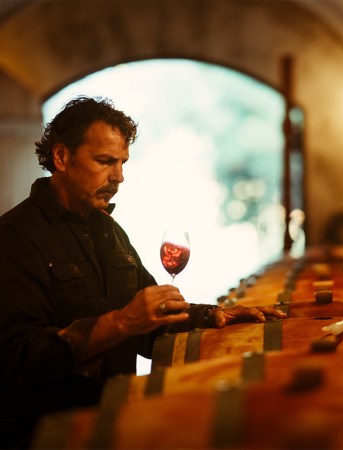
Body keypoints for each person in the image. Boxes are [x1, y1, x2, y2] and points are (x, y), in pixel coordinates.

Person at [0, 96, 286, 449]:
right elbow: (19, 357)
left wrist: (211, 316)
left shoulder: (109, 231)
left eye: (122, 162)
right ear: (61, 157)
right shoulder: (15, 237)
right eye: (105, 161)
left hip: (112, 427)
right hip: (48, 436)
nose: (118, 177)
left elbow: (150, 321)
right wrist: (120, 323)